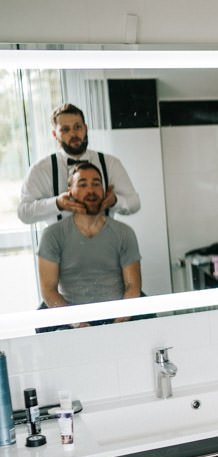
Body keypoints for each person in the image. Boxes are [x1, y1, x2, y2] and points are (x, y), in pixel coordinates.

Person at [37, 161, 142, 327]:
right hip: (72, 316)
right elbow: (48, 290)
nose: (91, 190)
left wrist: (119, 322)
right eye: (83, 184)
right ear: (70, 191)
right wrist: (77, 324)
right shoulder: (52, 235)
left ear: (104, 190)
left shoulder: (124, 233)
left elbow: (133, 285)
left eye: (96, 184)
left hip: (117, 315)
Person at [17, 102, 140, 225]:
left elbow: (134, 203)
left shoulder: (110, 163)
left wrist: (115, 201)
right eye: (65, 129)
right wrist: (57, 203)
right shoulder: (41, 169)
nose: (73, 134)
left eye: (77, 127)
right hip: (60, 243)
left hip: (105, 242)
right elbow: (23, 213)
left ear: (85, 128)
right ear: (55, 134)